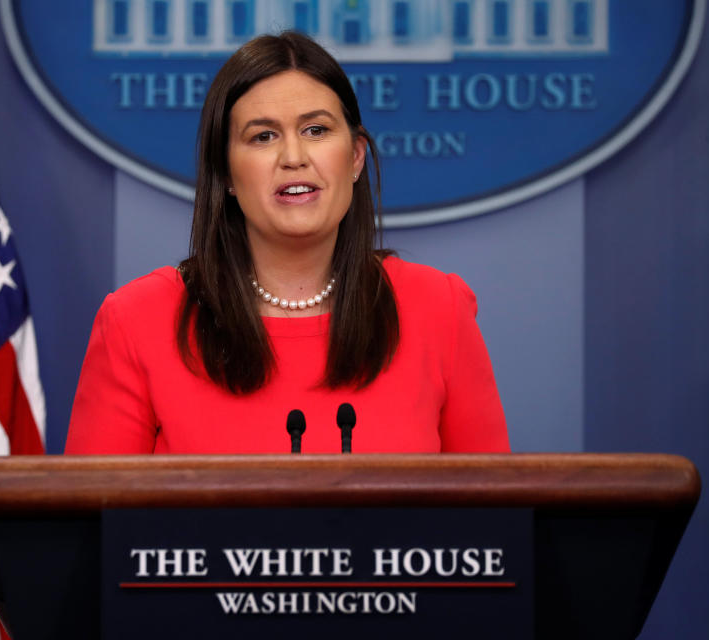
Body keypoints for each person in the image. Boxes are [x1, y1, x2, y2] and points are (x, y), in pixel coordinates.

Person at [64, 32, 509, 455]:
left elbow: (493, 520)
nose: (293, 157)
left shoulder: (439, 310)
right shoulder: (136, 322)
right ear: (226, 174)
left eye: (316, 130)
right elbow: (93, 526)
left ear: (355, 158)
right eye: (263, 136)